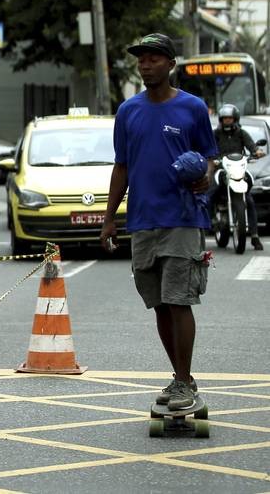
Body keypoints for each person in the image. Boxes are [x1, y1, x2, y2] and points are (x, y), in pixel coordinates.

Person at [101, 32, 217, 412]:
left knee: (179, 300)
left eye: (153, 59)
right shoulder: (128, 111)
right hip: (143, 220)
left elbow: (209, 157)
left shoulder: (193, 108)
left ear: (170, 64)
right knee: (159, 305)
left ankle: (183, 382)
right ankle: (181, 377)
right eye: (141, 60)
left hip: (183, 219)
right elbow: (122, 166)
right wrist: (109, 219)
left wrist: (206, 175)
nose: (146, 65)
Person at [208, 103, 265, 250]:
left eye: (230, 118)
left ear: (235, 119)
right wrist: (211, 158)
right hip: (221, 169)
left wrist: (257, 151)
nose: (227, 121)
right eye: (225, 118)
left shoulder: (241, 133)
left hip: (238, 169)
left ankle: (254, 236)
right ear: (221, 119)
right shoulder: (215, 134)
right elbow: (208, 148)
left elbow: (251, 146)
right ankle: (210, 220)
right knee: (210, 192)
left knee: (250, 200)